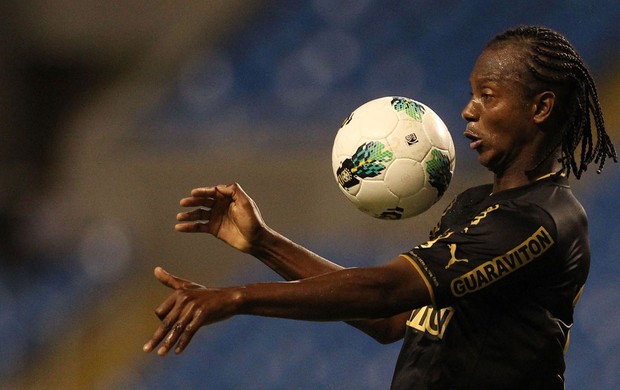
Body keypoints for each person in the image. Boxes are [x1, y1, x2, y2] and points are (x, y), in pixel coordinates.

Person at [143, 26, 617, 389]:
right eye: (472, 94)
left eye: (487, 96)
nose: (468, 111)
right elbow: (391, 321)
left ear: (541, 107)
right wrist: (264, 244)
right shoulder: (477, 204)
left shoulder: (537, 220)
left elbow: (387, 291)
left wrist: (238, 297)